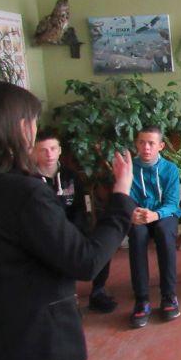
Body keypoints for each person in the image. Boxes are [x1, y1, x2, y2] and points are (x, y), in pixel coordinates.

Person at [0, 81, 135, 360]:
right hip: (36, 356)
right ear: (20, 127)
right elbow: (85, 260)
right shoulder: (23, 194)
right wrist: (121, 196)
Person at [33, 128, 118, 313]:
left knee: (100, 245)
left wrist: (78, 229)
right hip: (45, 234)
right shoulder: (29, 181)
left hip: (72, 228)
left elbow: (81, 205)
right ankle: (64, 301)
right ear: (34, 153)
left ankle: (98, 292)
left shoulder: (71, 176)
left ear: (60, 150)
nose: (49, 154)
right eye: (43, 150)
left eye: (53, 149)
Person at [127, 126, 181, 329]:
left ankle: (169, 296)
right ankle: (141, 299)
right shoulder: (129, 169)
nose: (146, 147)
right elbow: (125, 198)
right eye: (142, 142)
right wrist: (133, 213)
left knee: (164, 232)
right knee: (136, 234)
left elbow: (172, 203)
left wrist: (156, 214)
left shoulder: (170, 169)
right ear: (136, 144)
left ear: (161, 146)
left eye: (151, 143)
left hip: (163, 215)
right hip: (139, 215)